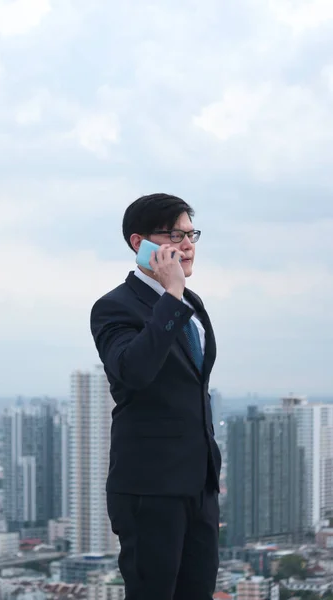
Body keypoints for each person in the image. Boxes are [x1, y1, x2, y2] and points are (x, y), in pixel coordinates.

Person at [90, 193, 221, 600]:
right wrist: (171, 296)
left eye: (191, 234)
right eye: (175, 235)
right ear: (139, 243)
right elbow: (134, 372)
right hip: (149, 488)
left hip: (198, 486)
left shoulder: (190, 304)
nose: (187, 245)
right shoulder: (115, 307)